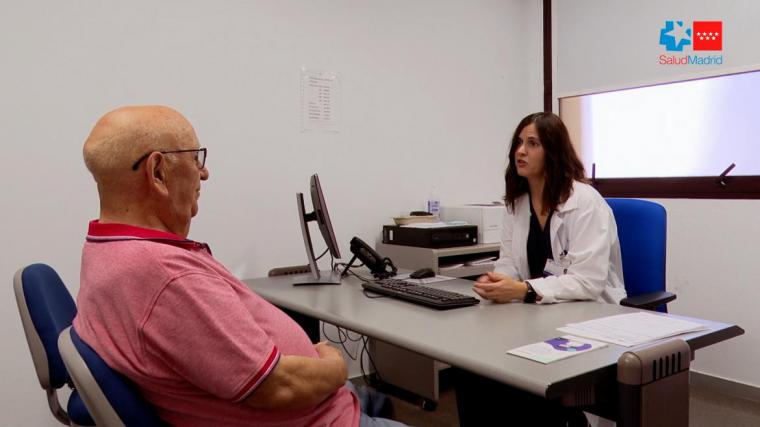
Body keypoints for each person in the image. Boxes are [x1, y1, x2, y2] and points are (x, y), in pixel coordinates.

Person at [73, 105, 404, 427]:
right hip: (324, 417)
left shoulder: (106, 248)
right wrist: (335, 366)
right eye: (195, 158)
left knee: (370, 398)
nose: (204, 172)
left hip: (315, 404)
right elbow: (278, 387)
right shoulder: (167, 277)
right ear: (158, 172)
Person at [453, 112, 626, 426]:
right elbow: (509, 261)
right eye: (519, 142)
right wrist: (499, 280)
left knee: (524, 382)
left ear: (553, 151)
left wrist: (523, 289)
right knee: (470, 369)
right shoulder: (517, 203)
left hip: (586, 316)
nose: (520, 151)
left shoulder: (586, 203)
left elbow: (587, 282)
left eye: (532, 143)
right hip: (536, 313)